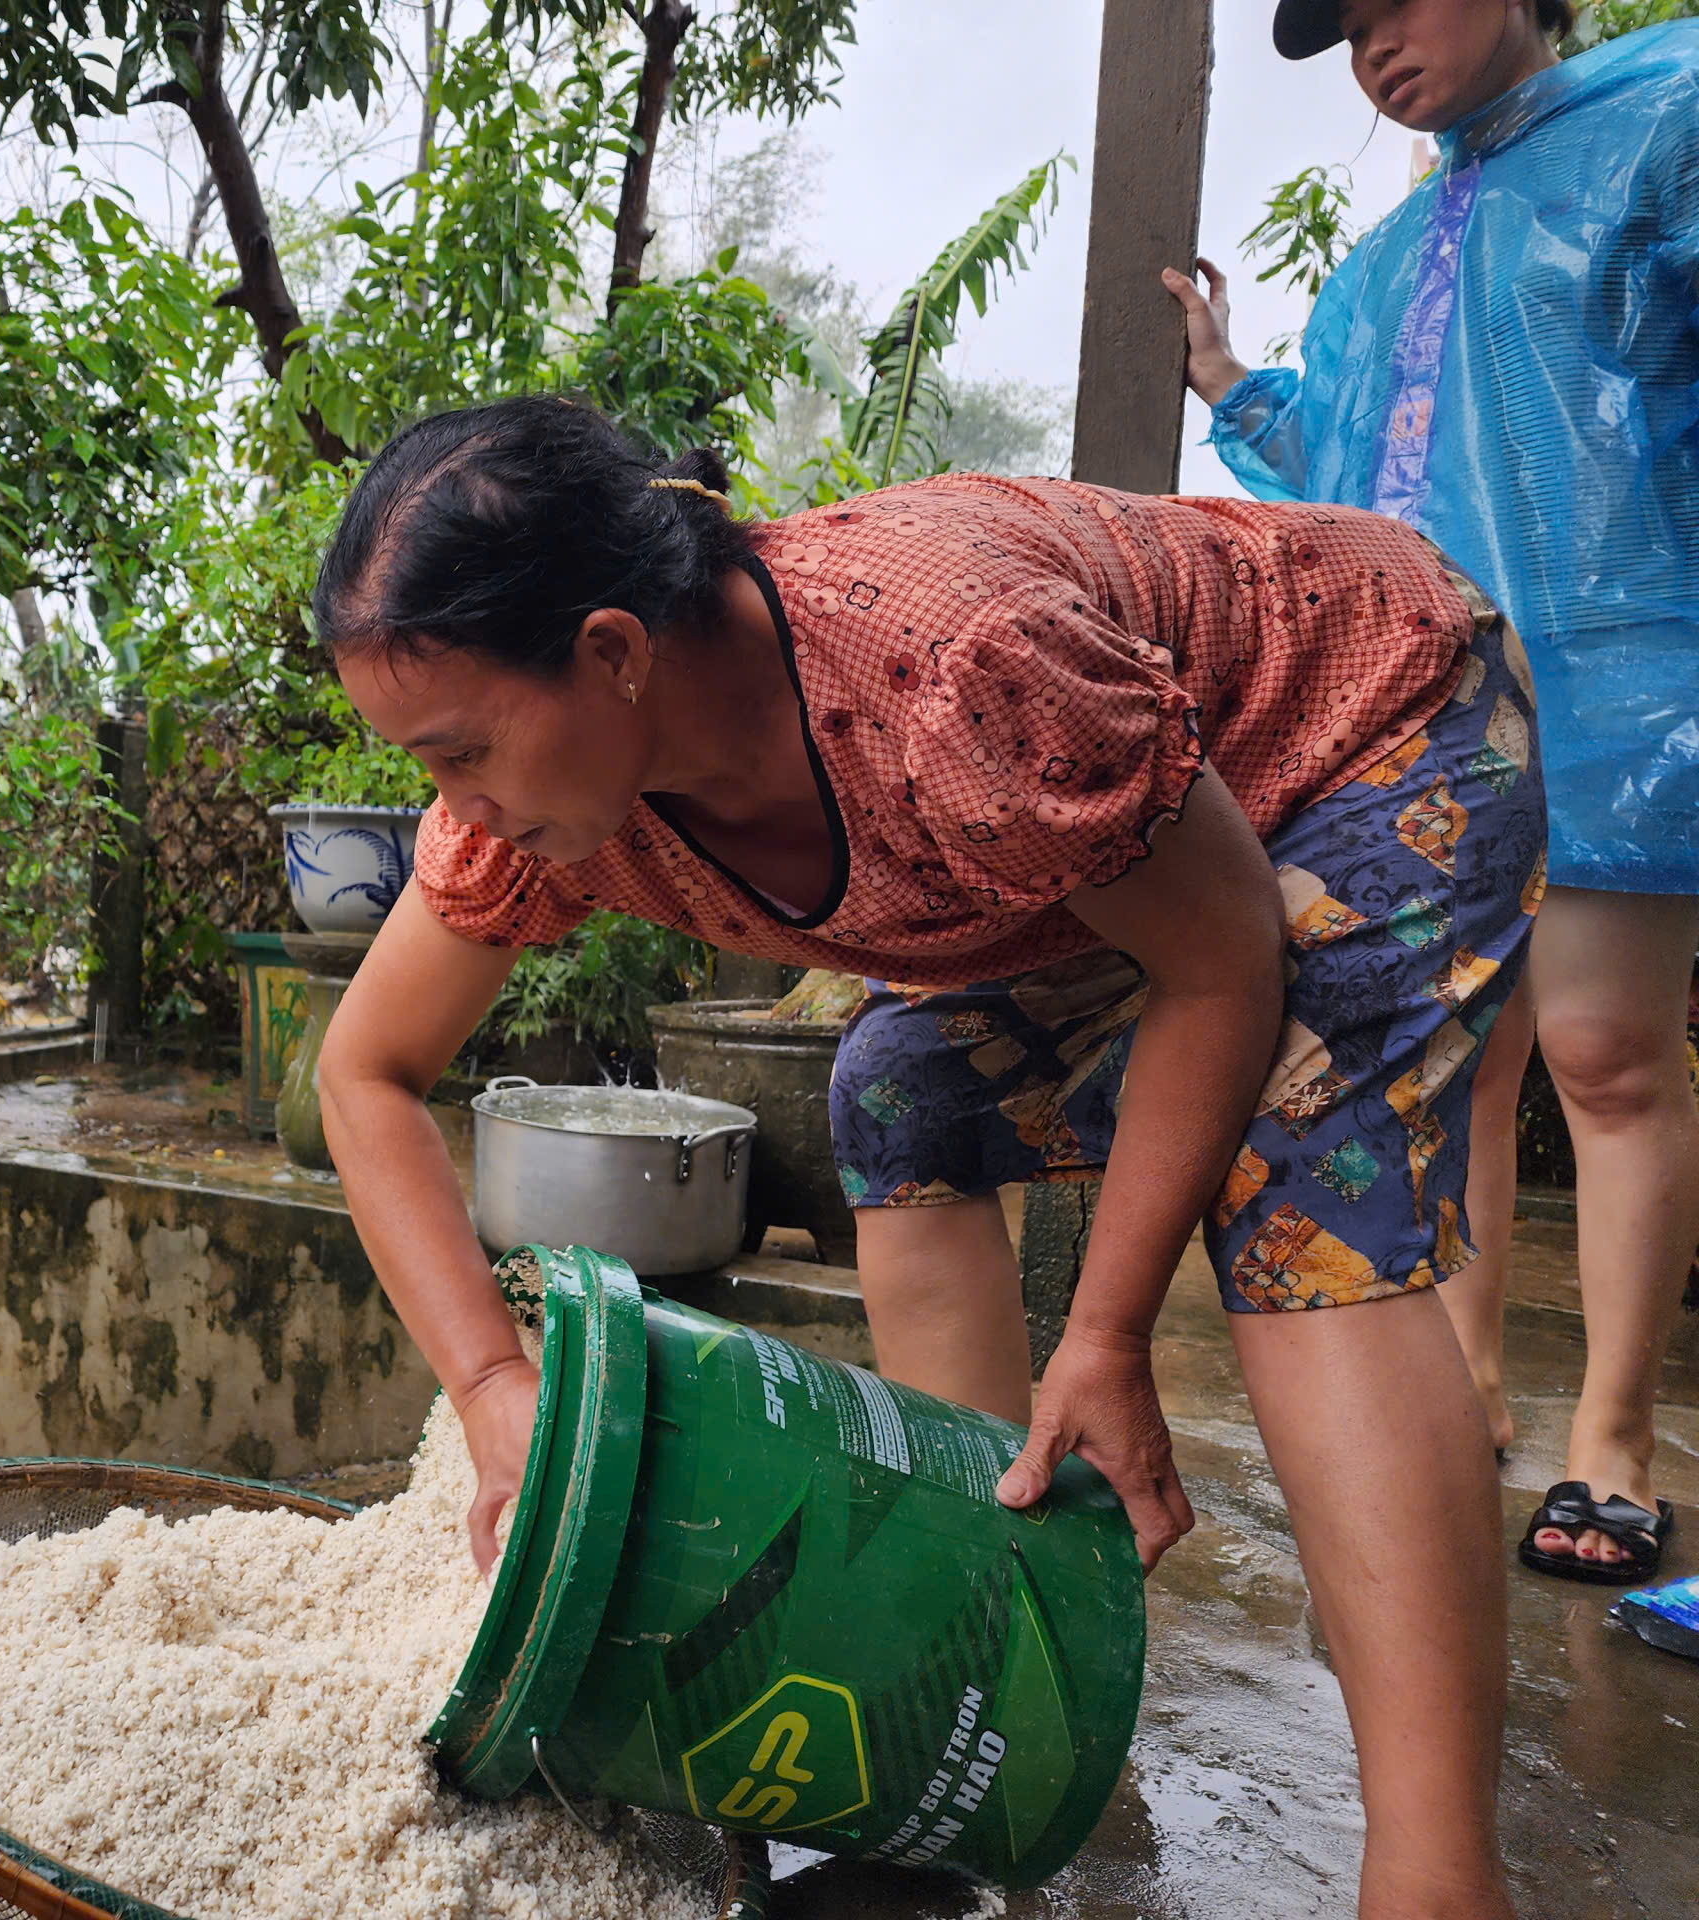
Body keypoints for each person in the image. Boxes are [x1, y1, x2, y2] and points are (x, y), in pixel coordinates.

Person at [312, 395, 1537, 1920]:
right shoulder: (550, 807)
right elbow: (366, 1073)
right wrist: (496, 1387)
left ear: (616, 653)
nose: (454, 807)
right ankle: (1010, 1622)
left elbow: (1223, 963)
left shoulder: (953, 677)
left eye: (460, 751)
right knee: (902, 1089)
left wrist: (1106, 1332)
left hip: (1366, 714)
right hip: (1160, 842)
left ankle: (1437, 1872)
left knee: (1298, 1166)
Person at [1164, 0, 1699, 1583]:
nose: (1373, 46)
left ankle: (1611, 1435)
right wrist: (1230, 387)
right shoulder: (1381, 266)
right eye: (1344, 29)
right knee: (1459, 1061)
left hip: (1622, 687)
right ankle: (1461, 1384)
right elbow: (1344, 469)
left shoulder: (1668, 120)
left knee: (1604, 1056)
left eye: (1397, 0)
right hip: (1439, 715)